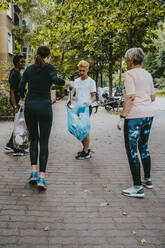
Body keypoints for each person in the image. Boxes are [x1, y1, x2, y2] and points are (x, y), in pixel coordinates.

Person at [19, 46, 71, 190]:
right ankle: (42, 178)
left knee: (34, 139)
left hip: (30, 107)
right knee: (44, 141)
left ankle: (33, 173)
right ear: (47, 56)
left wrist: (23, 98)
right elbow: (55, 80)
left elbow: (21, 86)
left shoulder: (29, 69)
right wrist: (68, 82)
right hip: (44, 107)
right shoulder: (50, 68)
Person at [117, 47, 155, 198]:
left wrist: (122, 116)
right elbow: (152, 97)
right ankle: (148, 180)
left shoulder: (129, 74)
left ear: (131, 61)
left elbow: (131, 97)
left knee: (132, 151)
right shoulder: (147, 74)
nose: (126, 63)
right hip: (148, 115)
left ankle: (137, 187)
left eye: (126, 60)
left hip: (134, 116)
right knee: (144, 147)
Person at [69, 60, 96, 160]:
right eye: (80, 70)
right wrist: (69, 100)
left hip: (86, 108)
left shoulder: (91, 82)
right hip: (77, 107)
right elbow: (73, 91)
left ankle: (86, 151)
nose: (81, 73)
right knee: (78, 129)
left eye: (83, 71)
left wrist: (90, 101)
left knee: (84, 129)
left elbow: (94, 97)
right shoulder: (76, 81)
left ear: (87, 69)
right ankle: (85, 148)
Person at [5, 54, 27, 156]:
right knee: (19, 125)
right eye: (21, 62)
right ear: (17, 62)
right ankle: (17, 149)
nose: (23, 63)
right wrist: (15, 106)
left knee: (18, 124)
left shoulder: (18, 73)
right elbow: (12, 91)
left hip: (19, 101)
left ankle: (10, 145)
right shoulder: (14, 74)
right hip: (16, 102)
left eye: (24, 61)